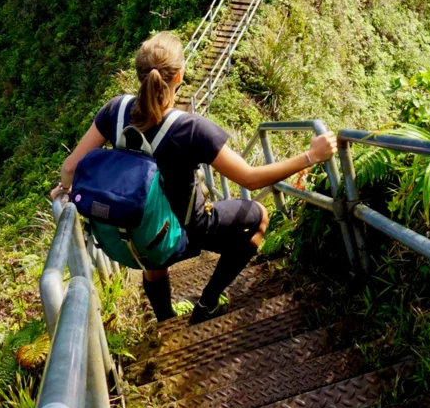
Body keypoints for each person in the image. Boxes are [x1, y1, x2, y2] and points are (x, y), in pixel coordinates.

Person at [52, 31, 336, 324]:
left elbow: (71, 169)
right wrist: (310, 156)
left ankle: (165, 319)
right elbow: (250, 179)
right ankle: (208, 302)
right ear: (180, 76)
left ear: (139, 74)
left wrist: (64, 189)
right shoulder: (191, 130)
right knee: (259, 217)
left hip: (132, 234)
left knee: (150, 233)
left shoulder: (116, 110)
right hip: (190, 232)